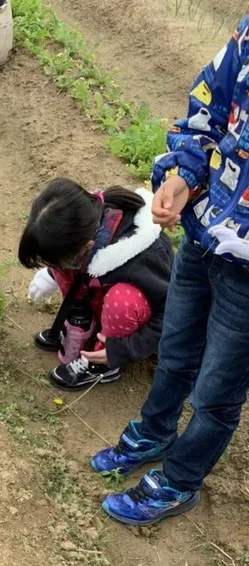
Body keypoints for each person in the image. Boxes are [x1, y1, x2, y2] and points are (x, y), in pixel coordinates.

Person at [92, 17, 249, 527]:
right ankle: (155, 429)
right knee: (177, 351)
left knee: (215, 393)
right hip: (205, 235)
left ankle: (180, 480)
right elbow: (209, 111)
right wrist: (185, 174)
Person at [20, 180, 173, 391]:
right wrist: (51, 273)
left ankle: (104, 363)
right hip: (100, 293)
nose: (56, 267)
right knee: (66, 267)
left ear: (88, 245)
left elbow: (172, 315)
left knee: (123, 300)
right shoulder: (84, 223)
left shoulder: (145, 258)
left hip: (139, 317)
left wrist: (122, 350)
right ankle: (84, 328)